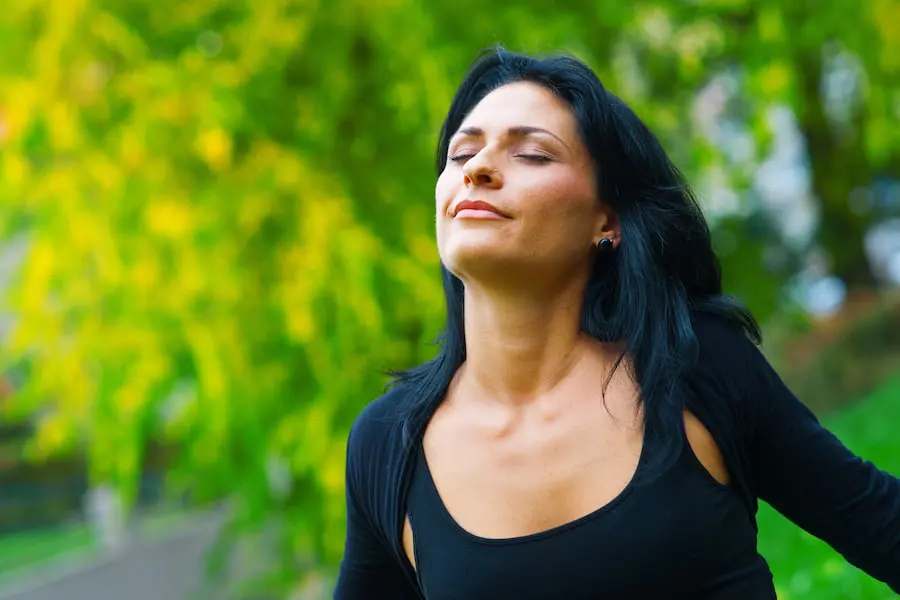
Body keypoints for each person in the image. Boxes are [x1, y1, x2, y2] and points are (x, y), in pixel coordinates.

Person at [333, 47, 900, 599]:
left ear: (606, 221)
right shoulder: (389, 445)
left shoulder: (692, 365)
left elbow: (880, 525)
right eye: (461, 154)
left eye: (532, 154)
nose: (478, 169)